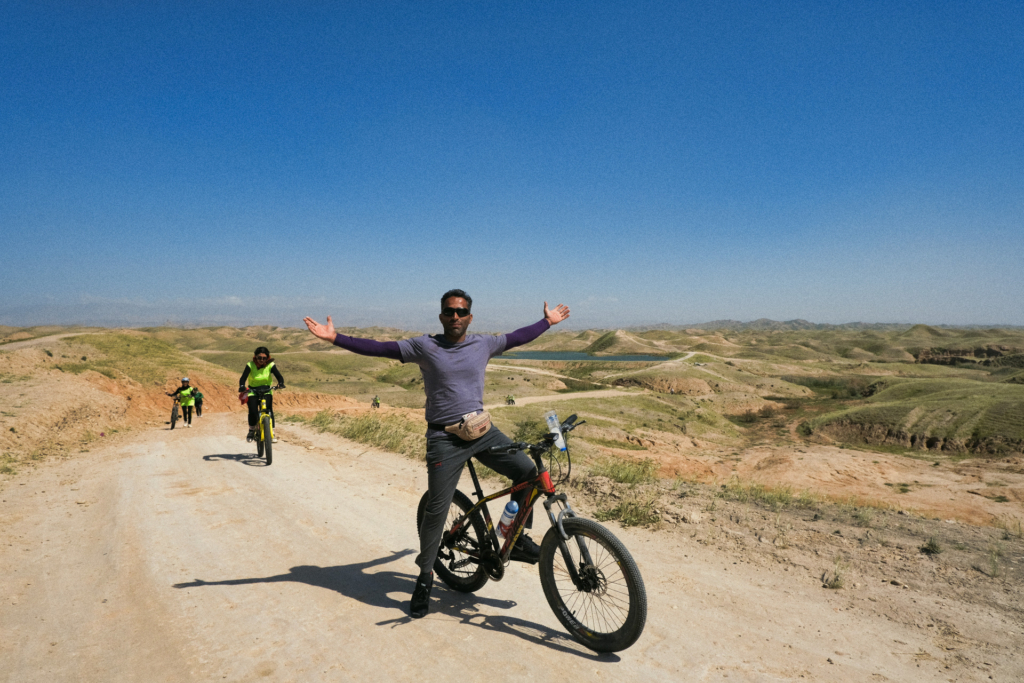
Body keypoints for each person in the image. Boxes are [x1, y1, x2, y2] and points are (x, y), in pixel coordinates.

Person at [304, 289, 570, 619]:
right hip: (444, 439)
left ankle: (512, 536)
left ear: (470, 317)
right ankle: (425, 576)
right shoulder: (424, 346)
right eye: (449, 312)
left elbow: (517, 337)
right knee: (436, 512)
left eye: (461, 312)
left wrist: (547, 321)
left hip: (482, 432)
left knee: (529, 473)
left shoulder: (483, 344)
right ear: (441, 316)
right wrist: (335, 338)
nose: (455, 317)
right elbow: (379, 348)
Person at [238, 347, 285, 443]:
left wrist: (280, 383)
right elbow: (243, 378)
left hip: (266, 390)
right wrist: (242, 386)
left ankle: (272, 432)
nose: (262, 360)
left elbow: (279, 376)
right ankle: (251, 430)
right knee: (253, 411)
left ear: (267, 358)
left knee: (269, 411)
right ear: (255, 357)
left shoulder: (271, 365)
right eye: (259, 357)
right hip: (252, 391)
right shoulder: (250, 365)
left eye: (264, 358)